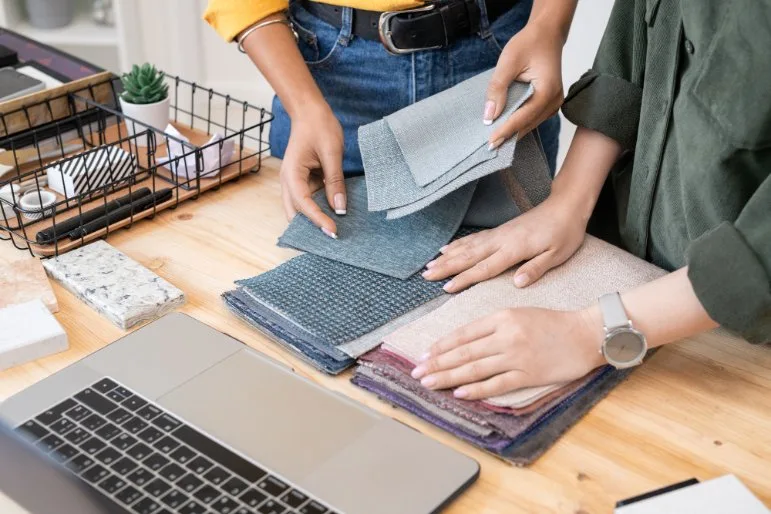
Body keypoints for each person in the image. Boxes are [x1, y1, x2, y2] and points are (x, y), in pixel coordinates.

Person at [417, 0, 771, 399]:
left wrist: (591, 331)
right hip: (630, 269)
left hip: (743, 346)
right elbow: (643, 25)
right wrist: (567, 199)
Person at [204, 0, 577, 237]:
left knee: (516, 283)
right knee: (318, 300)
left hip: (498, 64)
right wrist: (304, 107)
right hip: (330, 84)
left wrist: (549, 26)